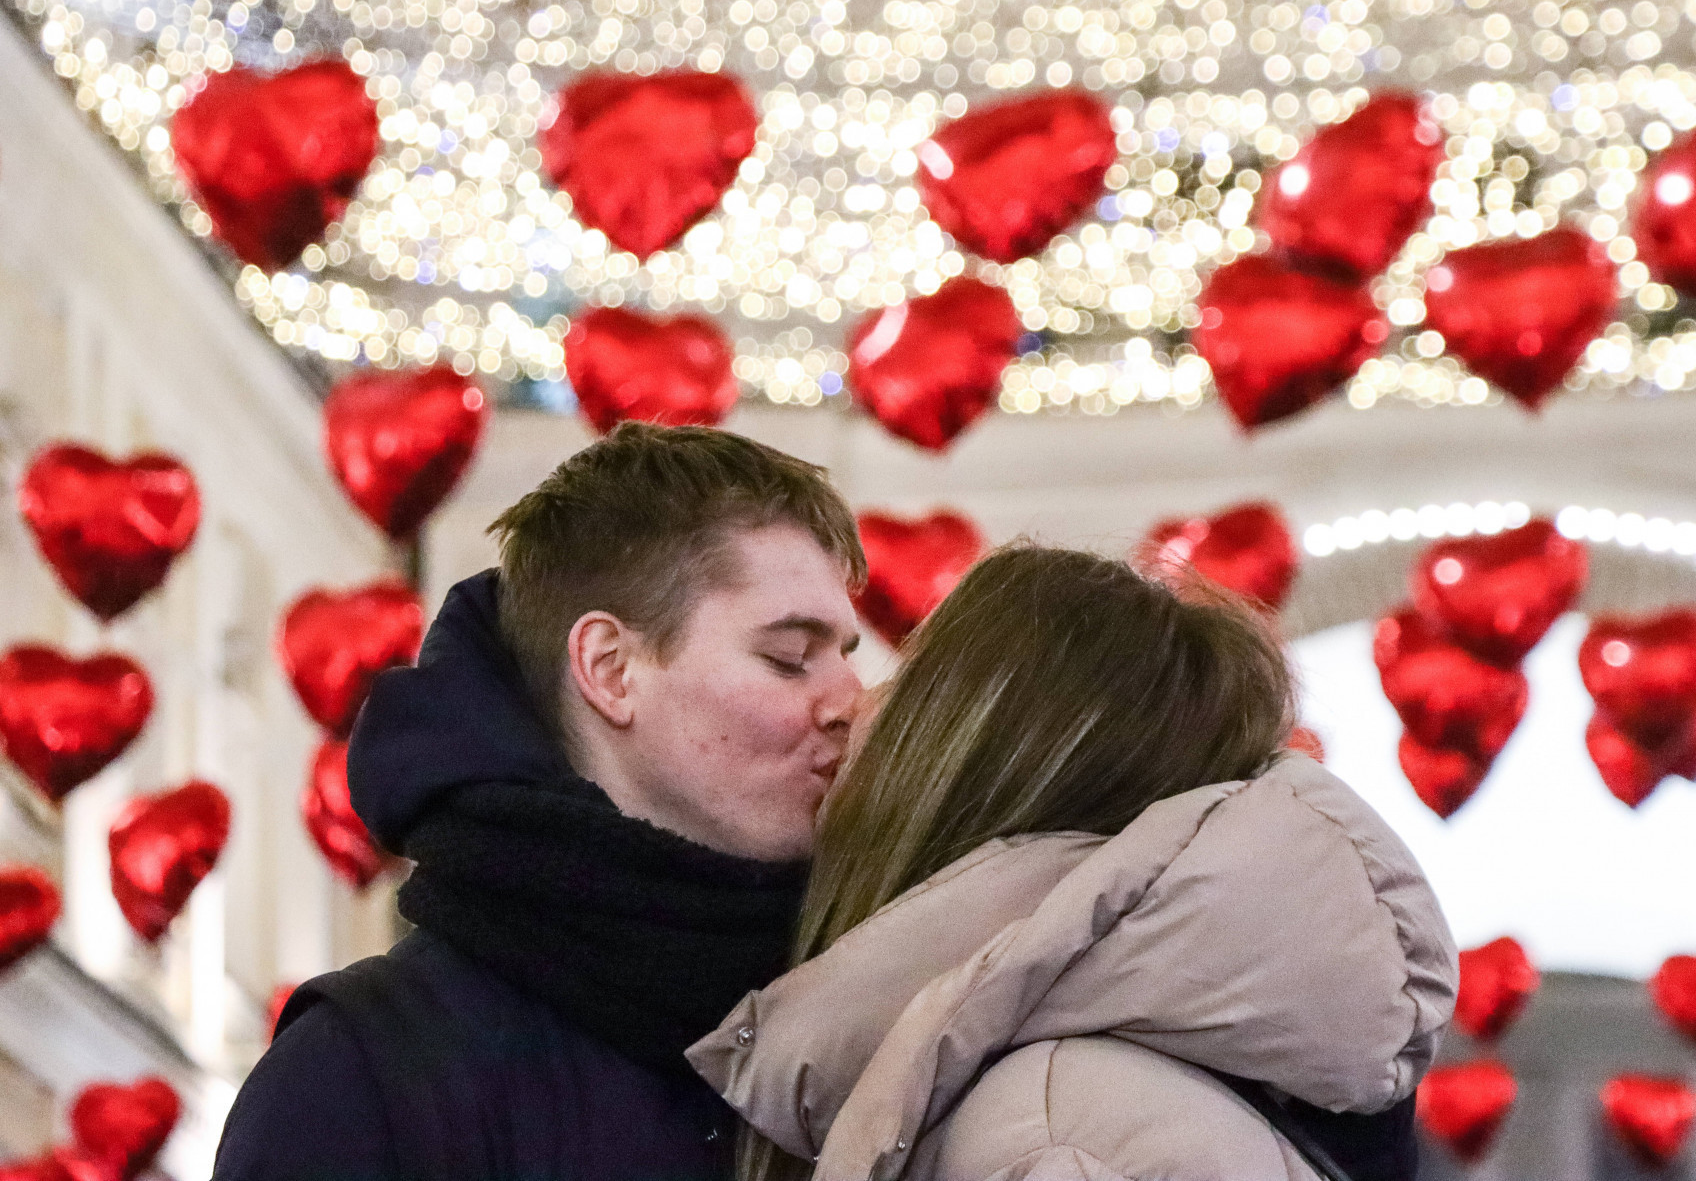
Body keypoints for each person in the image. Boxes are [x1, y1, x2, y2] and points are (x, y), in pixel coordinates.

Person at [212, 423, 868, 1181]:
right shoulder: (362, 1079)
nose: (851, 703)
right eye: (789, 659)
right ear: (611, 669)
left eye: (846, 656)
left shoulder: (861, 1047)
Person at [690, 546, 1458, 1181]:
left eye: (911, 675)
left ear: (968, 757)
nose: (856, 702)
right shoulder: (1074, 1094)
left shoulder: (1055, 1130)